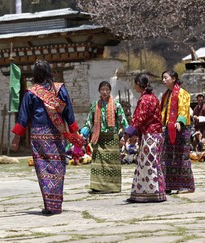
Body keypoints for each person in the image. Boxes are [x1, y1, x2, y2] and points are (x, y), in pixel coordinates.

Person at [11, 59, 81, 215]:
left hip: (38, 135)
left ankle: (50, 204)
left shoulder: (31, 92)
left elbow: (23, 116)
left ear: (35, 74)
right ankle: (56, 203)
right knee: (58, 167)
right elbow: (68, 112)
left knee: (43, 169)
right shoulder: (60, 89)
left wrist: (16, 138)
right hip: (56, 134)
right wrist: (74, 132)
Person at [124, 73, 166, 203]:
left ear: (138, 84)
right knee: (145, 164)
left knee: (149, 164)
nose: (133, 86)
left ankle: (154, 193)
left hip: (150, 136)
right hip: (154, 135)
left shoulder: (145, 99)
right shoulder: (152, 97)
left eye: (134, 83)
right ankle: (144, 193)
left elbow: (138, 119)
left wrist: (128, 133)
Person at [80, 81, 129, 193]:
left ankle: (113, 187)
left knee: (112, 164)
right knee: (99, 164)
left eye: (107, 90)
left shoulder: (116, 105)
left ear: (110, 91)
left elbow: (123, 121)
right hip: (99, 138)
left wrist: (128, 133)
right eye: (102, 89)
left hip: (112, 138)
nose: (105, 92)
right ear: (99, 91)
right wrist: (84, 133)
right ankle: (98, 186)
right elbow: (89, 122)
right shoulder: (95, 106)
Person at [160, 70, 195, 194]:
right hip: (168, 130)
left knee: (181, 158)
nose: (163, 80)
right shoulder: (166, 95)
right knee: (167, 157)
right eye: (163, 78)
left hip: (181, 129)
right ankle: (169, 185)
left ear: (174, 78)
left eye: (166, 78)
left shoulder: (182, 93)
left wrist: (179, 122)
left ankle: (186, 186)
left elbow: (184, 109)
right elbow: (163, 112)